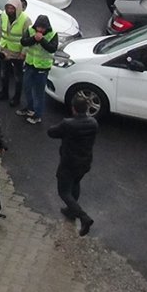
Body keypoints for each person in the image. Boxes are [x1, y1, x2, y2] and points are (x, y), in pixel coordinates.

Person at [48, 95, 99, 236]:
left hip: (69, 163)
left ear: (73, 109)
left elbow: (51, 132)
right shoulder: (93, 123)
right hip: (85, 162)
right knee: (75, 183)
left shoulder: (68, 124)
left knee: (64, 191)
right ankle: (71, 210)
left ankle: (84, 217)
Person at [18, 14, 58, 125]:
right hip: (30, 64)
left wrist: (41, 40)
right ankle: (30, 108)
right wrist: (34, 39)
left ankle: (37, 115)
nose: (40, 30)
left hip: (42, 68)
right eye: (39, 27)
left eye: (43, 28)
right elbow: (23, 42)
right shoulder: (30, 30)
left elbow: (52, 48)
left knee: (38, 92)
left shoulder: (53, 34)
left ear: (47, 27)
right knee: (27, 87)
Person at [0, 0, 30, 107]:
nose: (9, 10)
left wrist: (23, 52)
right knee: (3, 74)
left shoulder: (25, 20)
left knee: (18, 77)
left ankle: (16, 98)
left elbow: (28, 37)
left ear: (17, 8)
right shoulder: (3, 15)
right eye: (8, 8)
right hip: (4, 50)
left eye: (12, 8)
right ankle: (4, 93)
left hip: (17, 53)